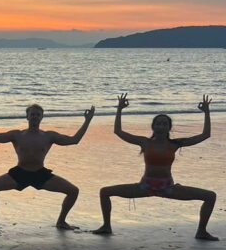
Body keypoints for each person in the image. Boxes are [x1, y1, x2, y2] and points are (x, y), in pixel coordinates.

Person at [93, 94, 218, 240]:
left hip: (168, 187)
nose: (161, 126)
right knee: (105, 192)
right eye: (158, 123)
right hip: (145, 186)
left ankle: (201, 231)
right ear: (153, 126)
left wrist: (207, 112)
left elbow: (205, 135)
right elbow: (118, 132)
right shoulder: (144, 143)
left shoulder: (175, 144)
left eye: (164, 124)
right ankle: (106, 226)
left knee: (210, 196)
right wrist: (119, 109)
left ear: (169, 128)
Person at [0, 102, 94, 229]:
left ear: (41, 117)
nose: (35, 117)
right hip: (19, 173)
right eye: (32, 114)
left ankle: (61, 221)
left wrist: (87, 120)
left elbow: (74, 140)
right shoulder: (17, 134)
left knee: (73, 191)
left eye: (38, 115)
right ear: (27, 116)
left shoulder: (49, 136)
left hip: (40, 174)